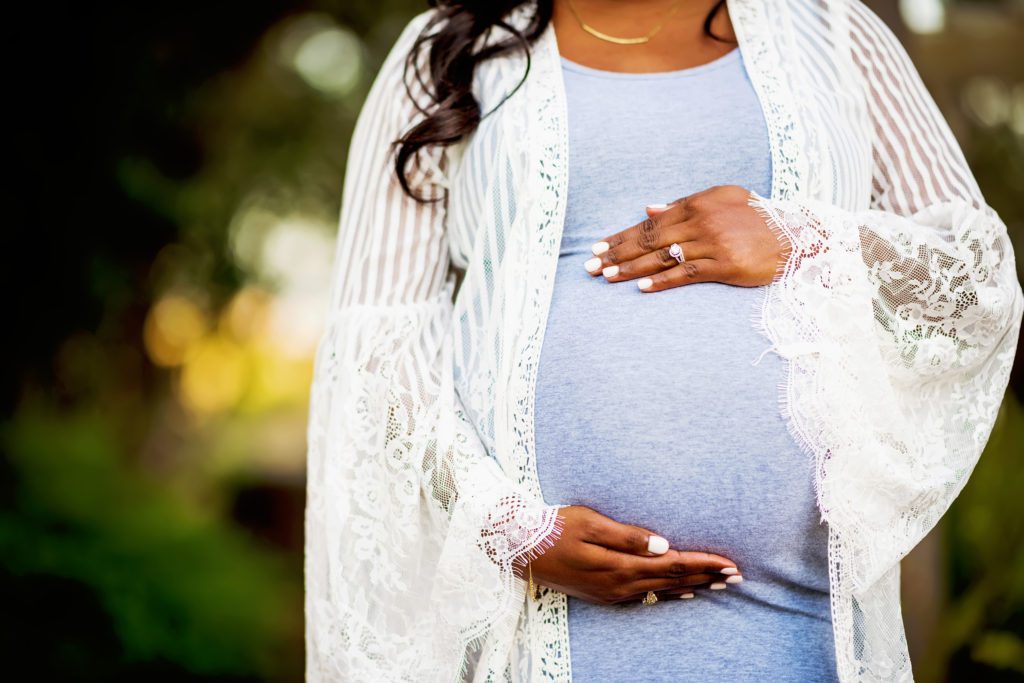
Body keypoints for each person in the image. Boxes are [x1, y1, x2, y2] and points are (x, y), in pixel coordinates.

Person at [303, 1, 1024, 681]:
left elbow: (979, 276)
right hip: (543, 620)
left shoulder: (834, 33)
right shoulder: (447, 54)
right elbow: (375, 345)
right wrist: (510, 528)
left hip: (800, 623)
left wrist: (806, 239)